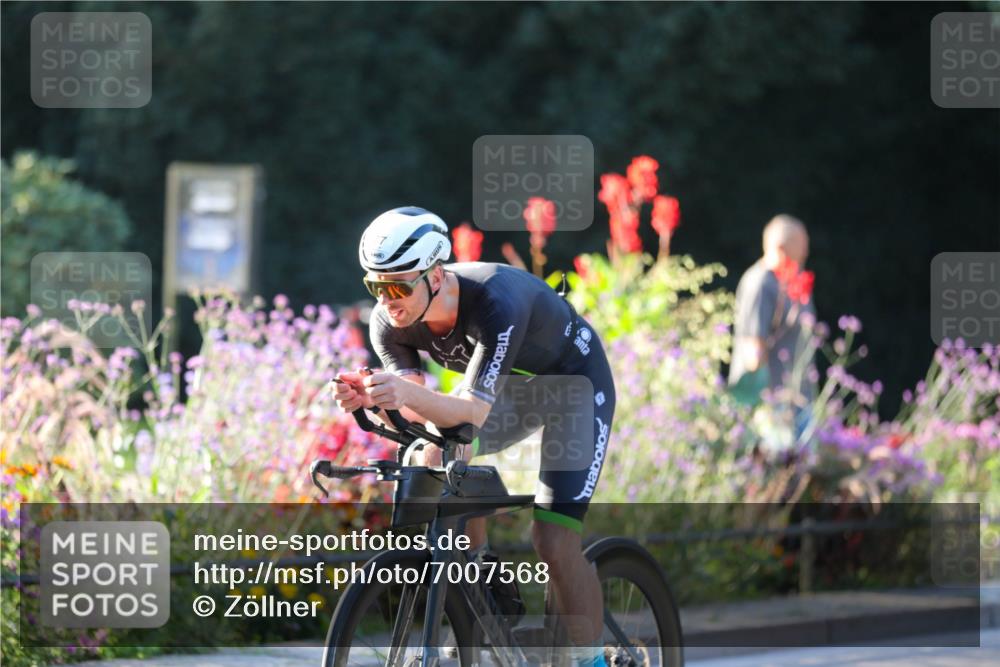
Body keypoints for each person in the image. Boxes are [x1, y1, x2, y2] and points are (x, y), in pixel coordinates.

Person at [332, 206, 615, 667]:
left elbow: (470, 413)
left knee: (553, 538)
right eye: (376, 286)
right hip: (508, 392)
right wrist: (374, 401)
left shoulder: (493, 301)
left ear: (437, 276)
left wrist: (402, 393)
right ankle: (485, 597)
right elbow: (420, 414)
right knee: (433, 456)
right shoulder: (389, 322)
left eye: (399, 284)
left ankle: (592, 661)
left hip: (573, 388)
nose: (388, 299)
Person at [729, 214, 816, 438]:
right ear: (780, 247)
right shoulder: (761, 283)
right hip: (772, 407)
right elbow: (753, 351)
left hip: (797, 402)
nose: (806, 252)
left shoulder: (789, 283)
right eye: (801, 245)